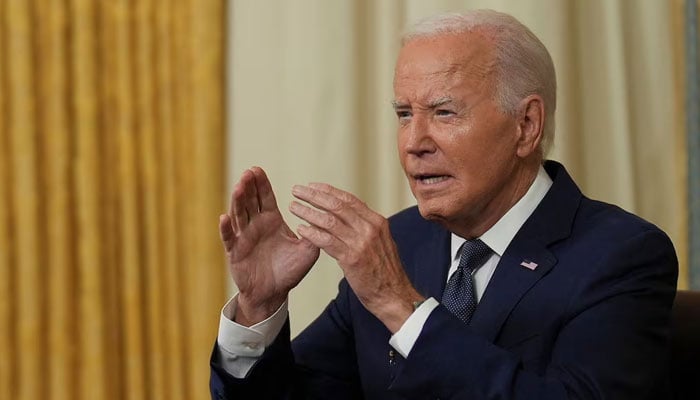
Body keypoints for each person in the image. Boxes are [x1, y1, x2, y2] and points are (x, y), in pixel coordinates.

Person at [210, 10, 678, 400]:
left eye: (444, 112)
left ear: (526, 125)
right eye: (404, 115)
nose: (414, 142)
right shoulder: (399, 242)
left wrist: (402, 306)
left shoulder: (622, 256)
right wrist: (260, 308)